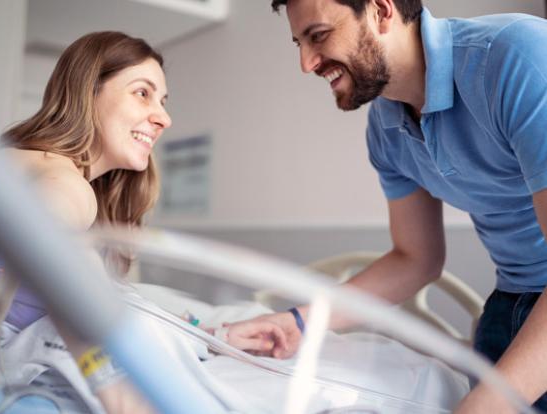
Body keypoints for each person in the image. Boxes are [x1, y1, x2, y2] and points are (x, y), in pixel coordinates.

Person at [222, 1, 547, 413]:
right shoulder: (386, 127)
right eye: (299, 43)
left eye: (318, 36)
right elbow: (415, 259)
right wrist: (299, 323)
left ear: (380, 11)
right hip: (511, 307)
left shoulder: (516, 59)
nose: (306, 63)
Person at [0, 31, 172, 413]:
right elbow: (50, 237)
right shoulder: (66, 183)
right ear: (88, 92)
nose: (164, 118)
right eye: (142, 93)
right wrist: (117, 397)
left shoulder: (21, 159)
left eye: (162, 100)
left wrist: (212, 331)